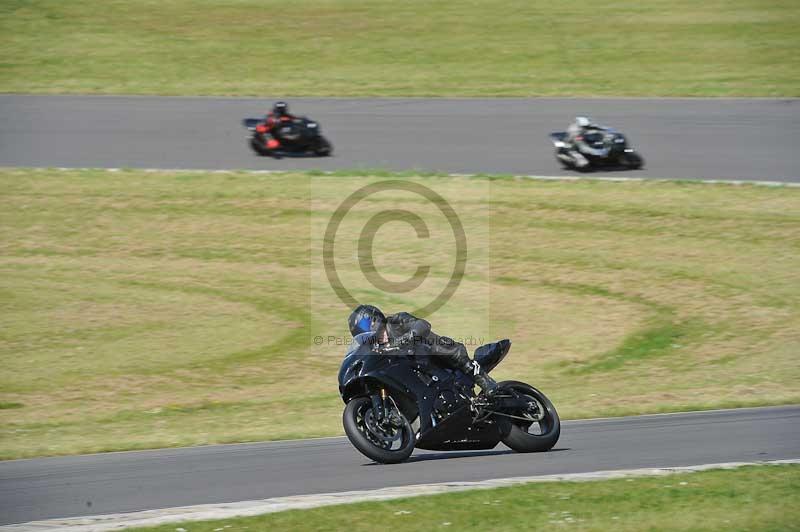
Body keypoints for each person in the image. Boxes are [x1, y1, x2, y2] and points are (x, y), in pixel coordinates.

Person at [347, 304, 499, 395]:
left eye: (377, 333)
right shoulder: (376, 349)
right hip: (417, 377)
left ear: (376, 319)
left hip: (432, 359)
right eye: (366, 336)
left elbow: (422, 325)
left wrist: (406, 338)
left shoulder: (397, 320)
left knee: (438, 345)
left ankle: (484, 381)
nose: (374, 338)